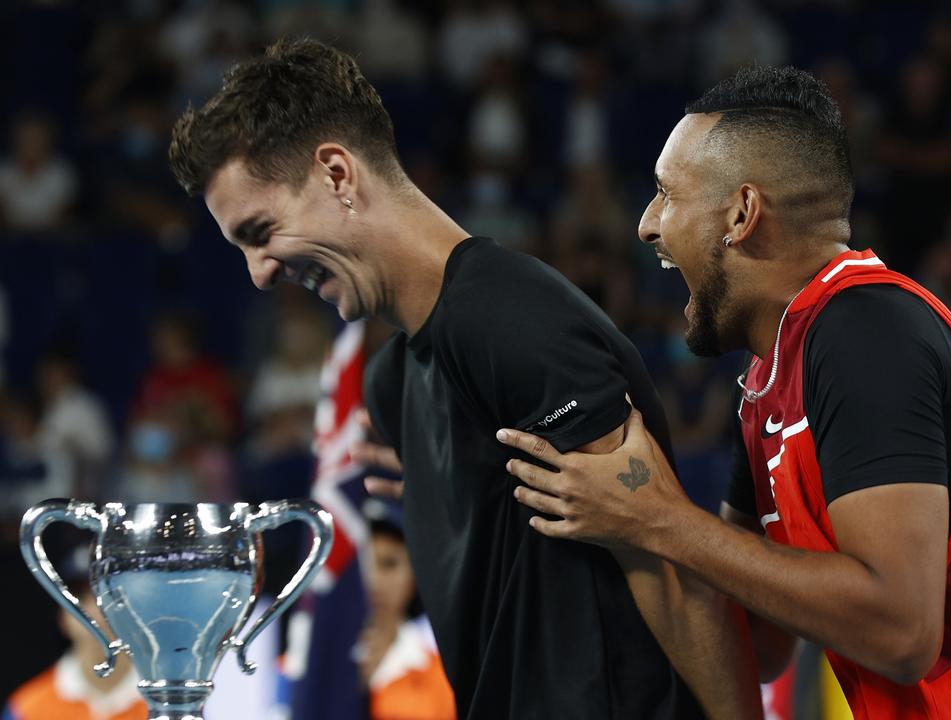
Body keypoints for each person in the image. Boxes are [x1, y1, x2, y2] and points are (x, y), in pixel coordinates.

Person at [496, 65, 951, 718]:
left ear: (742, 213)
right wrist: (605, 524)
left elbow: (900, 631)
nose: (646, 225)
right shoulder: (768, 383)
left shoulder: (866, 331)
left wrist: (661, 520)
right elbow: (754, 641)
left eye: (666, 194)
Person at [168, 39, 758, 719]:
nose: (259, 272)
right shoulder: (393, 380)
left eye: (260, 231)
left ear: (336, 173)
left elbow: (674, 574)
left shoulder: (510, 318)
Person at [4, 546, 147, 720]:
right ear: (62, 616)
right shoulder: (27, 709)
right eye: (79, 597)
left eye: (111, 594)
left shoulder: (171, 701)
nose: (97, 611)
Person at [358, 499, 455, 720]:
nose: (373, 580)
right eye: (362, 564)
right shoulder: (298, 666)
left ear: (415, 575)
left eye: (389, 563)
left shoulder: (445, 677)